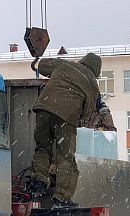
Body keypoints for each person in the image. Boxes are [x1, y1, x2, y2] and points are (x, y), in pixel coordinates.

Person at [28, 53, 104, 208]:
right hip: (66, 117)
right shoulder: (92, 84)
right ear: (96, 71)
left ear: (82, 61)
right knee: (65, 156)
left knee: (43, 147)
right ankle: (62, 197)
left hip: (43, 109)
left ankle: (39, 180)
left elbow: (42, 65)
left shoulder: (64, 64)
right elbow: (88, 113)